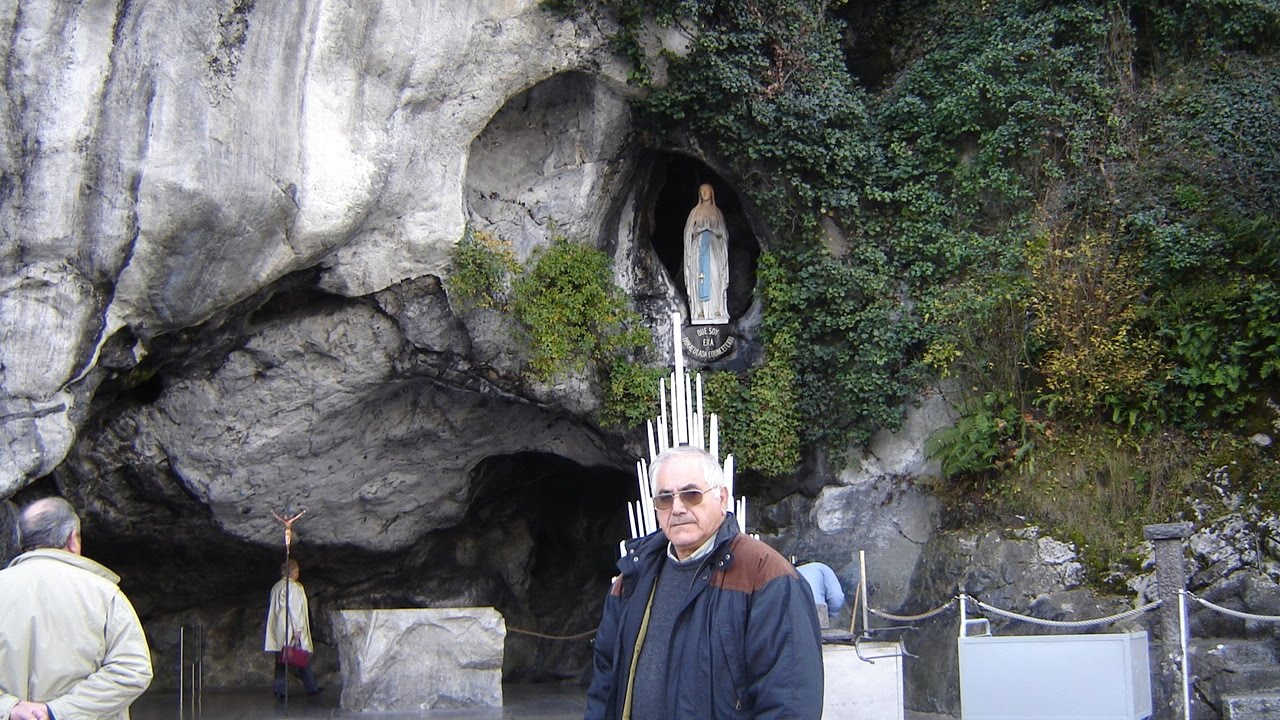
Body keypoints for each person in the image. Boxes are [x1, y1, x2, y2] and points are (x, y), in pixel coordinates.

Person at [585, 445, 823, 719]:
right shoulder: (633, 578)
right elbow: (605, 683)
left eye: (691, 495)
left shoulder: (765, 576)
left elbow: (789, 702)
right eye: (665, 499)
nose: (677, 508)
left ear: (722, 498)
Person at [0, 497, 153, 720]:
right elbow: (133, 670)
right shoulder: (105, 594)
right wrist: (55, 712)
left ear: (20, 540)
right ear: (73, 539)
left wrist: (10, 708)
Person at [264, 558, 322, 699]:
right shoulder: (294, 588)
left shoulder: (276, 587)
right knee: (300, 656)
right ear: (293, 572)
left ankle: (280, 689)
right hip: (291, 628)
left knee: (281, 659)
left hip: (279, 629)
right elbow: (295, 610)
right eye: (297, 571)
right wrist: (297, 629)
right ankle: (311, 687)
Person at [682, 183, 730, 325]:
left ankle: (716, 309)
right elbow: (688, 233)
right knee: (699, 277)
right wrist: (698, 232)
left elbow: (724, 234)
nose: (704, 193)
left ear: (712, 193)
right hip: (699, 250)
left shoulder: (717, 212)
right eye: (702, 191)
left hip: (713, 249)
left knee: (715, 276)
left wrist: (711, 230)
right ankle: (700, 311)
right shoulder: (695, 212)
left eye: (707, 190)